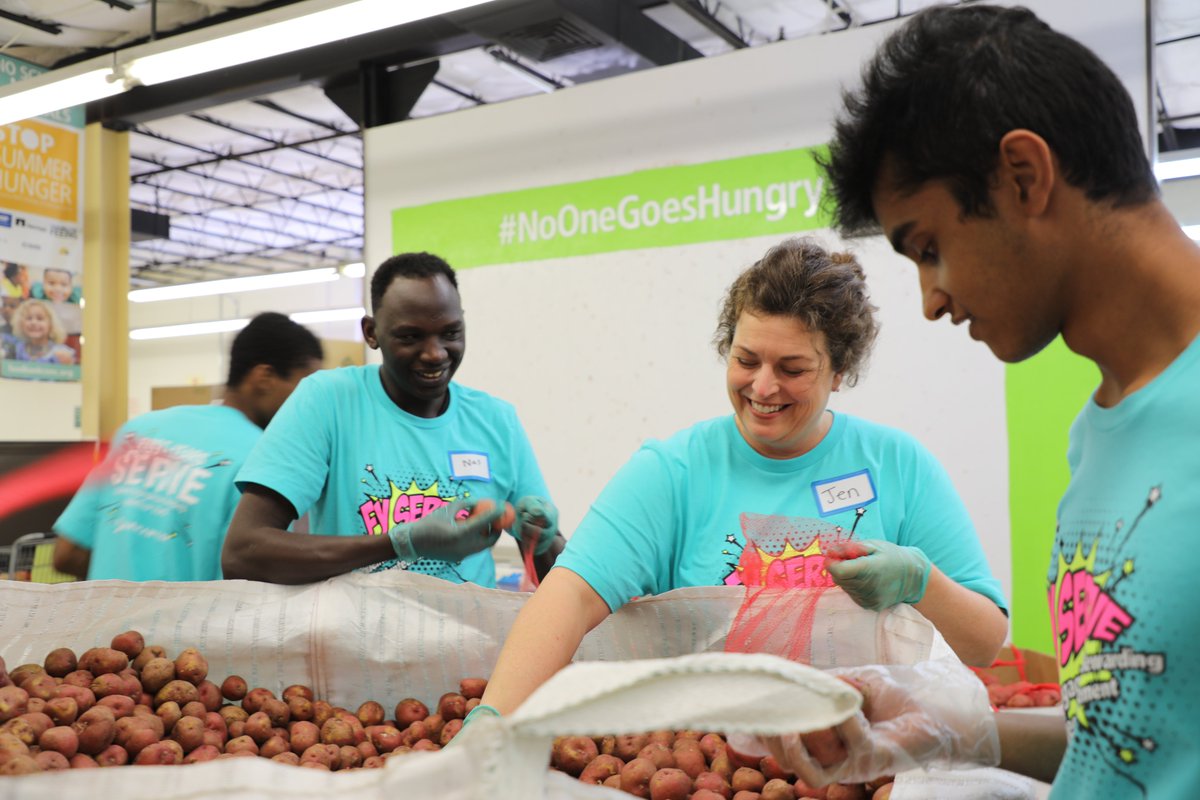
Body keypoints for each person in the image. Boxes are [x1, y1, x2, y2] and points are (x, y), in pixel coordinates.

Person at [800, 3, 1200, 796]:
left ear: (1024, 177)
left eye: (930, 248)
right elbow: (1135, 737)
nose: (931, 301)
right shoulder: (1098, 436)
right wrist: (944, 728)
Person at [477, 237, 1009, 721]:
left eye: (793, 368)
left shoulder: (899, 466)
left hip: (867, 760)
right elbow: (566, 600)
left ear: (839, 369)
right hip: (710, 765)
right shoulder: (674, 471)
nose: (763, 386)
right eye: (746, 359)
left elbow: (984, 641)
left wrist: (922, 582)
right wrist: (491, 720)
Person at [222, 252, 563, 586]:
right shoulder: (328, 401)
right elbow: (243, 554)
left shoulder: (496, 420)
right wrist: (400, 543)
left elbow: (557, 575)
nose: (435, 353)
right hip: (355, 640)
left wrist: (544, 540)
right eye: (410, 336)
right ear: (371, 333)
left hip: (470, 641)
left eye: (450, 333)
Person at [51, 312, 324, 581]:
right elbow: (249, 587)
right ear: (264, 378)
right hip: (186, 625)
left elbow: (68, 554)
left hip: (104, 622)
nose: (310, 408)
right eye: (304, 390)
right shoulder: (266, 461)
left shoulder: (137, 432)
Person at [4, 298, 75, 365]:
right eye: (29, 318)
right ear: (21, 324)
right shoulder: (16, 350)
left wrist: (67, 364)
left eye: (40, 318)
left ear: (51, 324)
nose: (33, 322)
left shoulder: (62, 353)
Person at [36, 267, 82, 336]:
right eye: (51, 283)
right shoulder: (38, 295)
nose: (57, 289)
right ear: (43, 284)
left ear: (71, 286)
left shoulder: (77, 299)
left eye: (64, 284)